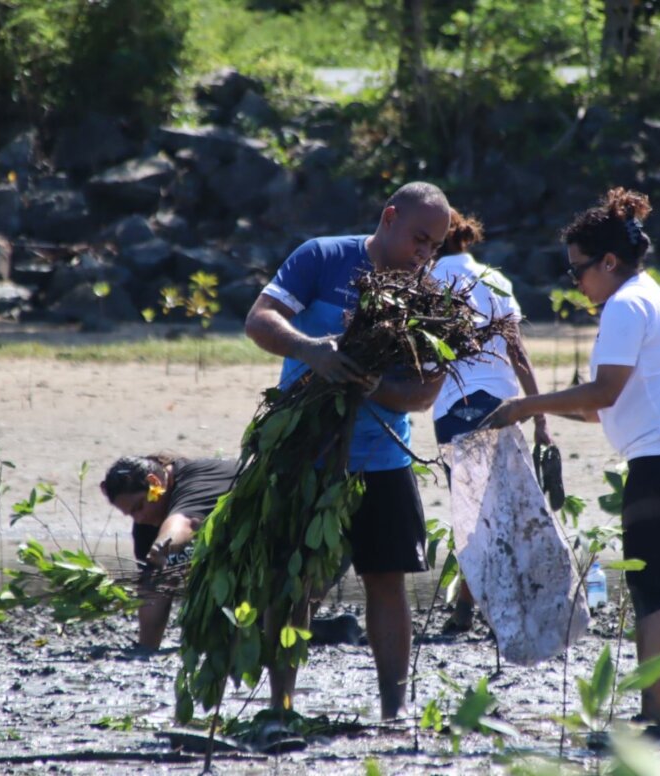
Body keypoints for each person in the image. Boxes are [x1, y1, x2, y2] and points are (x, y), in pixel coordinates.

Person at [483, 188, 660, 734]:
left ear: (609, 262)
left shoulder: (624, 305)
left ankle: (652, 717)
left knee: (649, 588)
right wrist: (538, 412)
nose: (577, 283)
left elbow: (605, 392)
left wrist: (527, 403)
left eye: (578, 271)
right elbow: (598, 410)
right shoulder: (642, 296)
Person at [244, 181, 451, 719]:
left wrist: (370, 386)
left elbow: (424, 395)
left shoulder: (429, 296)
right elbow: (259, 320)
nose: (425, 255)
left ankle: (394, 711)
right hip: (306, 453)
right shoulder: (323, 256)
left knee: (387, 583)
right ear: (389, 218)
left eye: (435, 247)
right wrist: (309, 350)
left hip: (383, 459)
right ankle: (281, 706)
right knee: (295, 585)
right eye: (419, 240)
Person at [428, 208, 552, 632]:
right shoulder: (495, 280)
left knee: (472, 513)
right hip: (503, 406)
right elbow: (519, 353)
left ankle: (467, 611)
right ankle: (480, 605)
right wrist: (538, 417)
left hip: (454, 408)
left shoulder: (428, 281)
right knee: (497, 509)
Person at [101, 454, 239, 650]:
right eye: (131, 514)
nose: (139, 518)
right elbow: (154, 588)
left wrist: (162, 545)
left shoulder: (197, 481)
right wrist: (145, 653)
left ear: (154, 482)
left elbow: (185, 524)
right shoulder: (147, 522)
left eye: (139, 507)